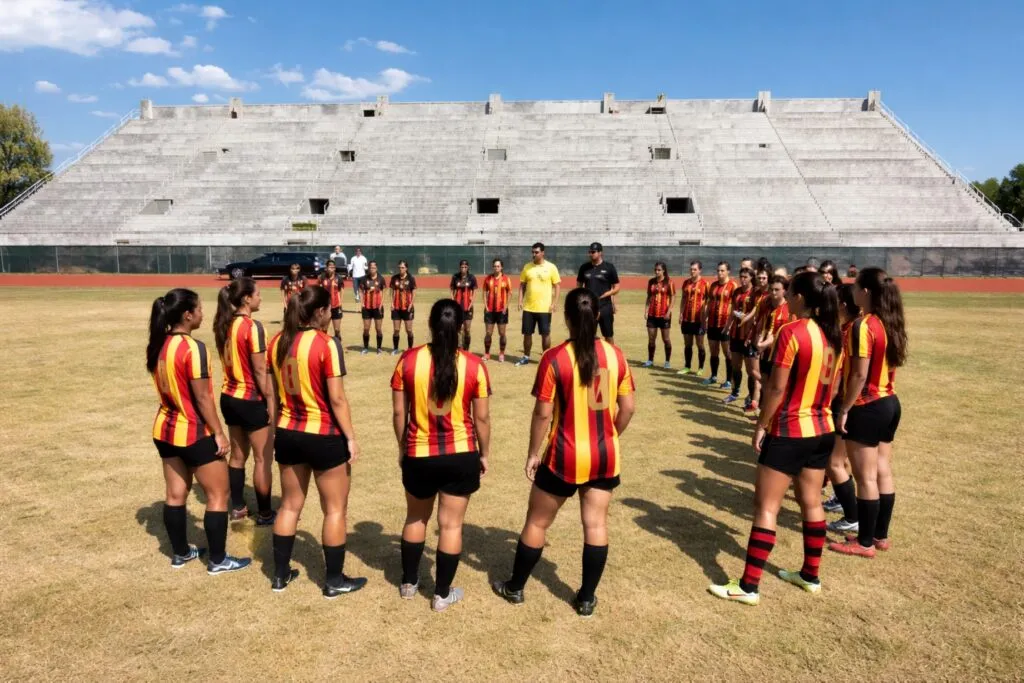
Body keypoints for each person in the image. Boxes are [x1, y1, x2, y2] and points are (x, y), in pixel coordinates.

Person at [493, 289, 636, 617]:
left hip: (563, 456)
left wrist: (532, 453)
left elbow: (543, 414)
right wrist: (610, 435)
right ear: (598, 317)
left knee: (538, 522)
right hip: (604, 455)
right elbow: (627, 408)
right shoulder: (617, 356)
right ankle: (586, 598)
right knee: (596, 525)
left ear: (567, 318)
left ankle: (515, 587)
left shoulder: (554, 358)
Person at [708, 271, 841, 605]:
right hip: (823, 429)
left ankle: (749, 586)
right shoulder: (832, 336)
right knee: (811, 502)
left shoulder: (791, 332)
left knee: (766, 506)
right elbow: (834, 388)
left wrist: (761, 425)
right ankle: (811, 574)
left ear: (798, 298)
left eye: (791, 291)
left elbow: (777, 387)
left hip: (791, 430)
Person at [391, 299, 492, 612]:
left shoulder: (408, 361)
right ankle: (442, 594)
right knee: (450, 526)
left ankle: (409, 583)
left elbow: (398, 412)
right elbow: (483, 419)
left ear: (431, 325)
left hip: (419, 453)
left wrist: (402, 447)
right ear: (461, 326)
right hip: (460, 454)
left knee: (415, 517)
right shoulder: (475, 365)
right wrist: (484, 453)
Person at [267, 287, 367, 596]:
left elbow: (272, 396)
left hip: (287, 431)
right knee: (335, 509)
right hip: (323, 434)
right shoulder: (327, 344)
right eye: (329, 310)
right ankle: (334, 581)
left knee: (289, 506)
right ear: (321, 312)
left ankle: (281, 576)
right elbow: (337, 398)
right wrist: (351, 438)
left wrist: (274, 434)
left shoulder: (277, 342)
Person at [147, 288, 251, 574]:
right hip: (193, 431)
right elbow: (203, 397)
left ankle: (181, 553)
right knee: (219, 494)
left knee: (175, 494)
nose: (203, 314)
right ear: (187, 314)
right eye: (200, 309)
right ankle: (218, 559)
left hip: (165, 430)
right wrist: (218, 432)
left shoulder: (158, 344)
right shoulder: (193, 348)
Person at [828, 268, 907, 558]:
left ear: (867, 293)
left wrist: (845, 408)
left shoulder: (864, 325)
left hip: (868, 405)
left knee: (866, 478)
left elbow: (858, 375)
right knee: (882, 469)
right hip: (889, 402)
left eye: (858, 286)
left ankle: (863, 543)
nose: (854, 290)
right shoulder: (889, 322)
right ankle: (879, 535)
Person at [213, 278, 276, 525]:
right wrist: (271, 400)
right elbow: (260, 371)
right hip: (250, 399)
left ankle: (238, 507)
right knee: (263, 458)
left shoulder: (224, 324)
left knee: (238, 457)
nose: (261, 297)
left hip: (229, 397)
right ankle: (265, 513)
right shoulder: (252, 327)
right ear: (246, 299)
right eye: (258, 294)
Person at [823, 283, 860, 522]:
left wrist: (829, 404)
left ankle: (852, 518)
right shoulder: (855, 327)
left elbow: (839, 375)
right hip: (853, 402)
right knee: (842, 461)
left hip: (844, 402)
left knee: (834, 462)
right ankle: (844, 502)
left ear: (843, 306)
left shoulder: (847, 333)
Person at [515, 242, 561, 367]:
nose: (534, 254)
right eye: (532, 252)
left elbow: (557, 286)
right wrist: (520, 300)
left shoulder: (551, 267)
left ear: (542, 253)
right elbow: (522, 285)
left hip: (544, 308)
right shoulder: (527, 267)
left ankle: (546, 357)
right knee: (527, 333)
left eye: (536, 252)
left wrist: (554, 303)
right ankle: (526, 357)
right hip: (529, 308)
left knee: (545, 334)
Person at [752, 274, 792, 414]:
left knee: (775, 387)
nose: (773, 293)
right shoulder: (766, 304)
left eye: (777, 289)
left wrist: (763, 344)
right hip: (765, 353)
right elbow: (761, 325)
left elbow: (779, 335)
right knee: (763, 382)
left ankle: (770, 415)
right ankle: (763, 411)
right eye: (771, 289)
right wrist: (758, 340)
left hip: (779, 355)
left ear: (784, 291)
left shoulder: (788, 310)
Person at [739, 268, 771, 413]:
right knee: (752, 371)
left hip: (766, 339)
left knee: (760, 374)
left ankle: (758, 403)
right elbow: (754, 315)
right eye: (759, 277)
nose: (761, 280)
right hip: (754, 337)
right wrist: (748, 332)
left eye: (764, 278)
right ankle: (754, 401)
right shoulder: (756, 294)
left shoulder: (772, 295)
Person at [722, 267, 755, 405]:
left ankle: (751, 396)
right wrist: (727, 327)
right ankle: (734, 393)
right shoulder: (736, 292)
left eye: (746, 277)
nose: (742, 279)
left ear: (751, 278)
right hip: (735, 334)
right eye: (741, 276)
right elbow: (732, 312)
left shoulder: (755, 293)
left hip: (749, 336)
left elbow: (757, 314)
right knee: (736, 366)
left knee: (750, 370)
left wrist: (747, 318)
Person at [576, 242, 620, 344]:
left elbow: (617, 287)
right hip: (589, 307)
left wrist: (607, 295)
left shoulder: (609, 267)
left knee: (608, 335)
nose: (591, 254)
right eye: (589, 252)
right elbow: (579, 286)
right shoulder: (584, 267)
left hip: (605, 307)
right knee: (588, 335)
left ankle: (611, 358)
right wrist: (581, 301)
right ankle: (589, 358)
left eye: (593, 252)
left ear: (600, 253)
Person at [701, 262, 736, 388]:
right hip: (712, 324)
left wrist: (730, 324)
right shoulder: (713, 286)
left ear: (728, 272)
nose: (720, 273)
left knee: (727, 352)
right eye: (718, 270)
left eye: (722, 270)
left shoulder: (733, 286)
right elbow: (709, 304)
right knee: (713, 351)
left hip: (725, 324)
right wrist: (704, 320)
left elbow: (735, 307)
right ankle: (713, 376)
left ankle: (728, 380)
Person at [677, 260, 709, 376]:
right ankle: (687, 366)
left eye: (695, 269)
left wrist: (705, 318)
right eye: (691, 269)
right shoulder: (686, 283)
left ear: (700, 270)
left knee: (700, 344)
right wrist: (681, 313)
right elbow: (683, 299)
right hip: (686, 318)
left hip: (699, 320)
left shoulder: (705, 284)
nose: (692, 271)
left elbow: (708, 302)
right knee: (687, 344)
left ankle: (700, 368)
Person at [643, 261, 674, 368]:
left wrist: (668, 312)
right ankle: (650, 360)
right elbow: (648, 297)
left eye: (659, 270)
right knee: (651, 339)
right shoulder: (651, 282)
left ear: (664, 270)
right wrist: (646, 310)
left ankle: (667, 362)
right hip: (652, 314)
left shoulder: (669, 282)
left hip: (664, 315)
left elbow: (673, 297)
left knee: (666, 339)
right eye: (655, 270)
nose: (657, 272)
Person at [482, 258, 513, 362]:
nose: (496, 268)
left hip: (502, 311)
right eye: (495, 266)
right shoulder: (488, 279)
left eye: (498, 266)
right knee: (488, 333)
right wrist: (486, 306)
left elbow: (509, 293)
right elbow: (484, 292)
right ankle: (487, 353)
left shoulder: (506, 279)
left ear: (501, 267)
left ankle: (501, 353)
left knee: (502, 333)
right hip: (490, 310)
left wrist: (506, 306)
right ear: (493, 267)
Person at [450, 260, 478, 352]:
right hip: (457, 307)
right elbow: (451, 289)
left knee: (467, 329)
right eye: (462, 267)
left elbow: (475, 291)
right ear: (460, 267)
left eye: (465, 267)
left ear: (468, 267)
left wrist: (471, 303)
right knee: (458, 329)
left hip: (468, 307)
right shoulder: (455, 277)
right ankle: (459, 348)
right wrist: (452, 301)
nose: (463, 268)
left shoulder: (472, 278)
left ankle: (466, 349)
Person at [359, 260, 387, 355]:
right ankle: (366, 347)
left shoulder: (381, 279)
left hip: (377, 307)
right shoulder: (364, 279)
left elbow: (383, 291)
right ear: (369, 268)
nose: (372, 269)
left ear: (377, 268)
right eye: (371, 267)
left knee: (378, 329)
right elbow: (360, 290)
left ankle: (379, 348)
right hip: (366, 307)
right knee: (366, 329)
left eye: (374, 267)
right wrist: (362, 303)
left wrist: (381, 304)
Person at [390, 260, 417, 354]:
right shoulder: (394, 278)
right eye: (399, 267)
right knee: (396, 330)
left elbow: (414, 292)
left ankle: (410, 349)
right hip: (396, 308)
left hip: (407, 308)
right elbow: (392, 291)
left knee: (409, 330)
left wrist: (411, 304)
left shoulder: (411, 278)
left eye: (403, 267)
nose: (401, 269)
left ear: (406, 268)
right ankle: (395, 348)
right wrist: (392, 303)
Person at [318, 260, 345, 341]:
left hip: (336, 306)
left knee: (337, 330)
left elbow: (341, 290)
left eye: (333, 266)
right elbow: (319, 291)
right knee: (324, 328)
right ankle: (323, 345)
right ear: (326, 268)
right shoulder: (322, 277)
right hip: (326, 306)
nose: (332, 268)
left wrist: (340, 302)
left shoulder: (339, 278)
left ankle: (338, 345)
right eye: (330, 266)